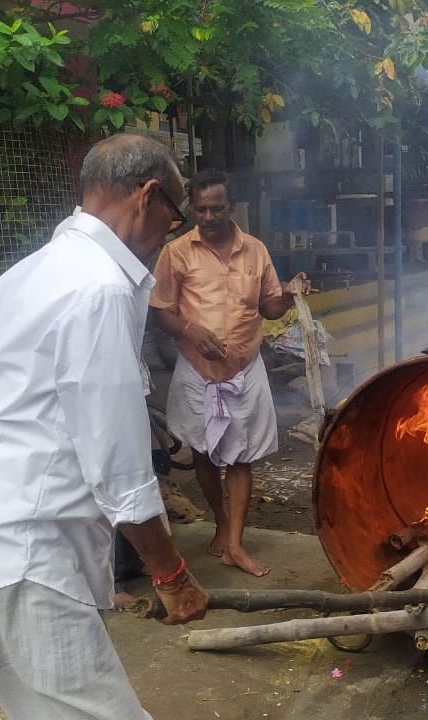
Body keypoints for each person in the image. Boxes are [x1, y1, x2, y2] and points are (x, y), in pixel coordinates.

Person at [0, 134, 208, 720]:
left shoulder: (31, 273)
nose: (174, 228)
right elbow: (119, 468)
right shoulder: (98, 289)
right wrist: (172, 572)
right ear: (148, 196)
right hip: (16, 546)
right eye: (177, 212)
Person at [150, 169, 307, 578]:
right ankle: (220, 521)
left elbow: (269, 308)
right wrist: (190, 330)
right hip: (197, 369)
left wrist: (288, 295)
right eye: (199, 209)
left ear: (230, 208)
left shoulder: (255, 251)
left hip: (244, 367)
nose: (206, 216)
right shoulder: (177, 252)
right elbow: (161, 309)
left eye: (215, 209)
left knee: (241, 458)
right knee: (202, 451)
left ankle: (235, 542)